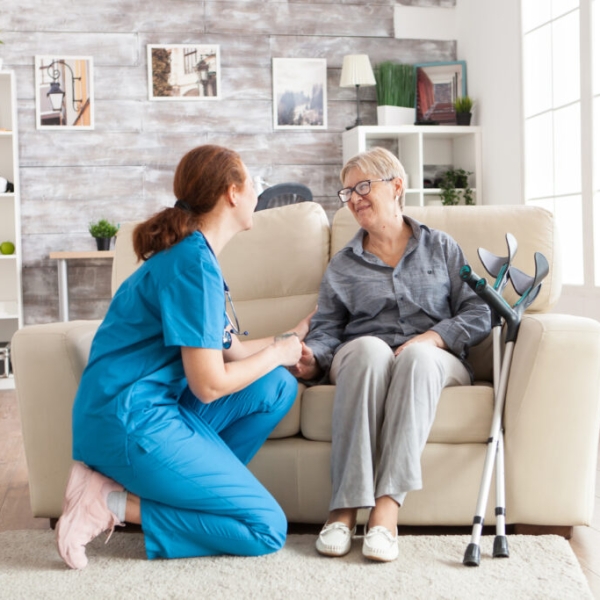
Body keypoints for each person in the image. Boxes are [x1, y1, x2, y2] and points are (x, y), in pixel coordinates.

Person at [56, 144, 314, 569]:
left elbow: (237, 350)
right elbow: (209, 386)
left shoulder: (195, 258)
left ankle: (197, 492)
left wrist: (296, 336)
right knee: (266, 528)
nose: (257, 195)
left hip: (145, 411)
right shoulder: (192, 266)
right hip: (129, 421)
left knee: (277, 385)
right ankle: (110, 503)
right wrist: (278, 352)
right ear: (233, 192)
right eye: (254, 185)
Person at [291, 147, 491, 562]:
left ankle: (386, 510)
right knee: (368, 349)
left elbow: (479, 311)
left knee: (415, 358)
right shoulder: (342, 265)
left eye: (364, 186)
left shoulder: (441, 247)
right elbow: (327, 331)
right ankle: (343, 509)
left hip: (434, 358)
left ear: (396, 186)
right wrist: (313, 358)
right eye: (348, 193)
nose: (355, 198)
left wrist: (434, 338)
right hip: (363, 355)